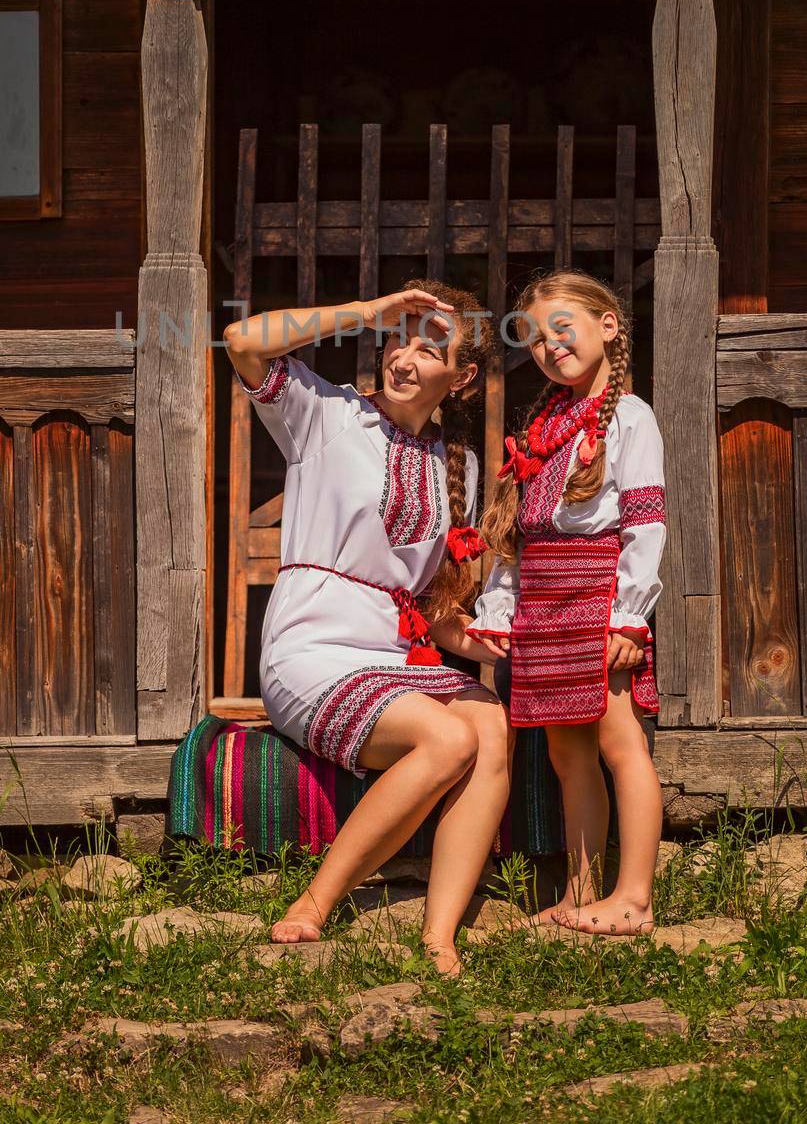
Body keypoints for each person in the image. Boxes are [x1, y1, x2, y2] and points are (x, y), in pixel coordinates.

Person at [223, 280, 509, 975]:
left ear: (462, 377)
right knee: (445, 737)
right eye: (396, 339)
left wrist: (497, 641)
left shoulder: (459, 465)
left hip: (386, 655)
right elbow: (240, 340)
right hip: (311, 649)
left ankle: (439, 935)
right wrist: (362, 312)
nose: (403, 358)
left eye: (428, 348)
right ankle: (315, 903)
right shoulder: (325, 414)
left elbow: (434, 609)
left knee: (490, 723)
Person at [469, 268, 666, 935]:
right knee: (565, 753)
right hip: (542, 605)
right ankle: (582, 892)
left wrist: (629, 616)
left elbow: (644, 521)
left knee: (618, 742)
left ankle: (633, 896)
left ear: (607, 326)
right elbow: (515, 532)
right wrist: (499, 610)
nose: (550, 349)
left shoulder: (628, 417)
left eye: (562, 330)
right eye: (534, 341)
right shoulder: (549, 421)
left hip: (595, 595)